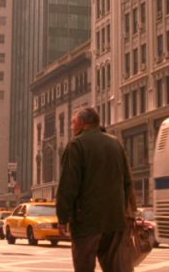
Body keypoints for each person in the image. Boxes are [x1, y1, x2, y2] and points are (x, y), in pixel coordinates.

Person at [56, 107, 135, 272]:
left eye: (73, 122)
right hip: (114, 220)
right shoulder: (116, 144)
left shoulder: (76, 145)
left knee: (84, 267)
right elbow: (128, 182)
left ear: (83, 123)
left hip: (87, 222)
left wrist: (62, 217)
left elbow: (68, 185)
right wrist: (123, 210)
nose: (71, 126)